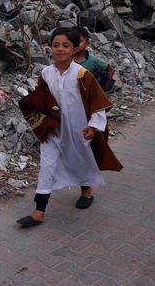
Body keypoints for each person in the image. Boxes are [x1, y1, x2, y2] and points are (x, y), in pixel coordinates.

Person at [16, 27, 122, 228]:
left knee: (78, 160)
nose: (60, 49)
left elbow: (97, 101)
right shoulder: (46, 73)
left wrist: (93, 125)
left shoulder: (82, 75)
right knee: (46, 167)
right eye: (56, 45)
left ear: (74, 49)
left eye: (65, 45)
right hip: (53, 130)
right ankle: (39, 211)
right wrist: (43, 122)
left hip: (78, 129)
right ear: (50, 48)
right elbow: (42, 99)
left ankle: (86, 190)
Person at [73, 27, 115, 92]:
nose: (76, 44)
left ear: (87, 43)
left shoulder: (92, 60)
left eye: (79, 41)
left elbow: (110, 70)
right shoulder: (66, 60)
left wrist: (104, 87)